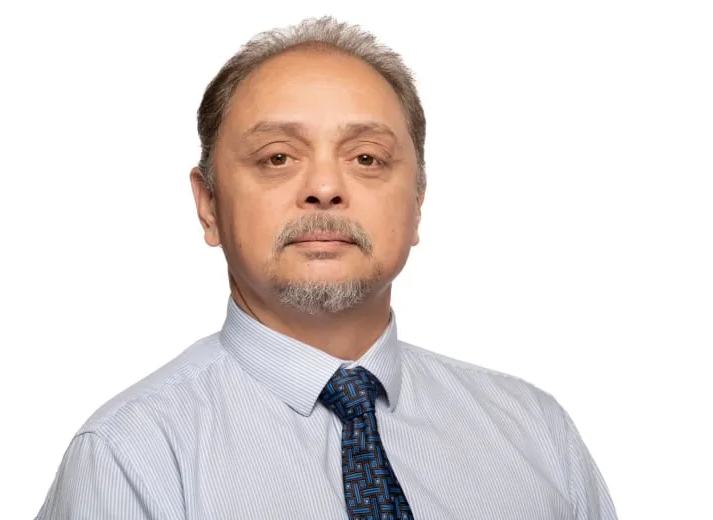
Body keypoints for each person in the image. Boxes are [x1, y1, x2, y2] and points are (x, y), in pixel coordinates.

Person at [35, 16, 618, 520]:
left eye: (367, 158)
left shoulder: (537, 435)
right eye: (277, 158)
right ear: (208, 205)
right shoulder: (129, 457)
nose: (323, 188)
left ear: (417, 204)